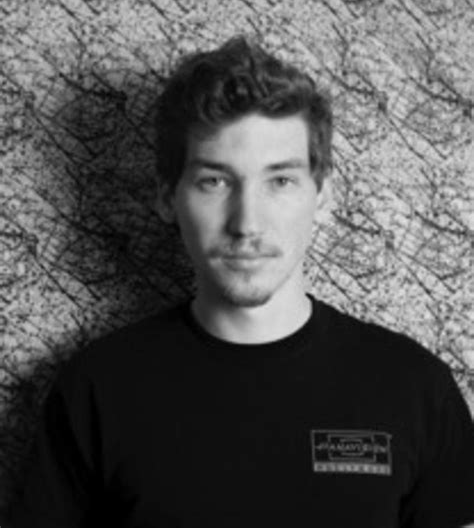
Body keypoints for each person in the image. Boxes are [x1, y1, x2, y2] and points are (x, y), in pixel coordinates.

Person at [7, 36, 474, 528]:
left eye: (280, 181)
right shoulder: (96, 389)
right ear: (167, 197)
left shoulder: (415, 387)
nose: (247, 223)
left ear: (322, 196)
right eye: (215, 181)